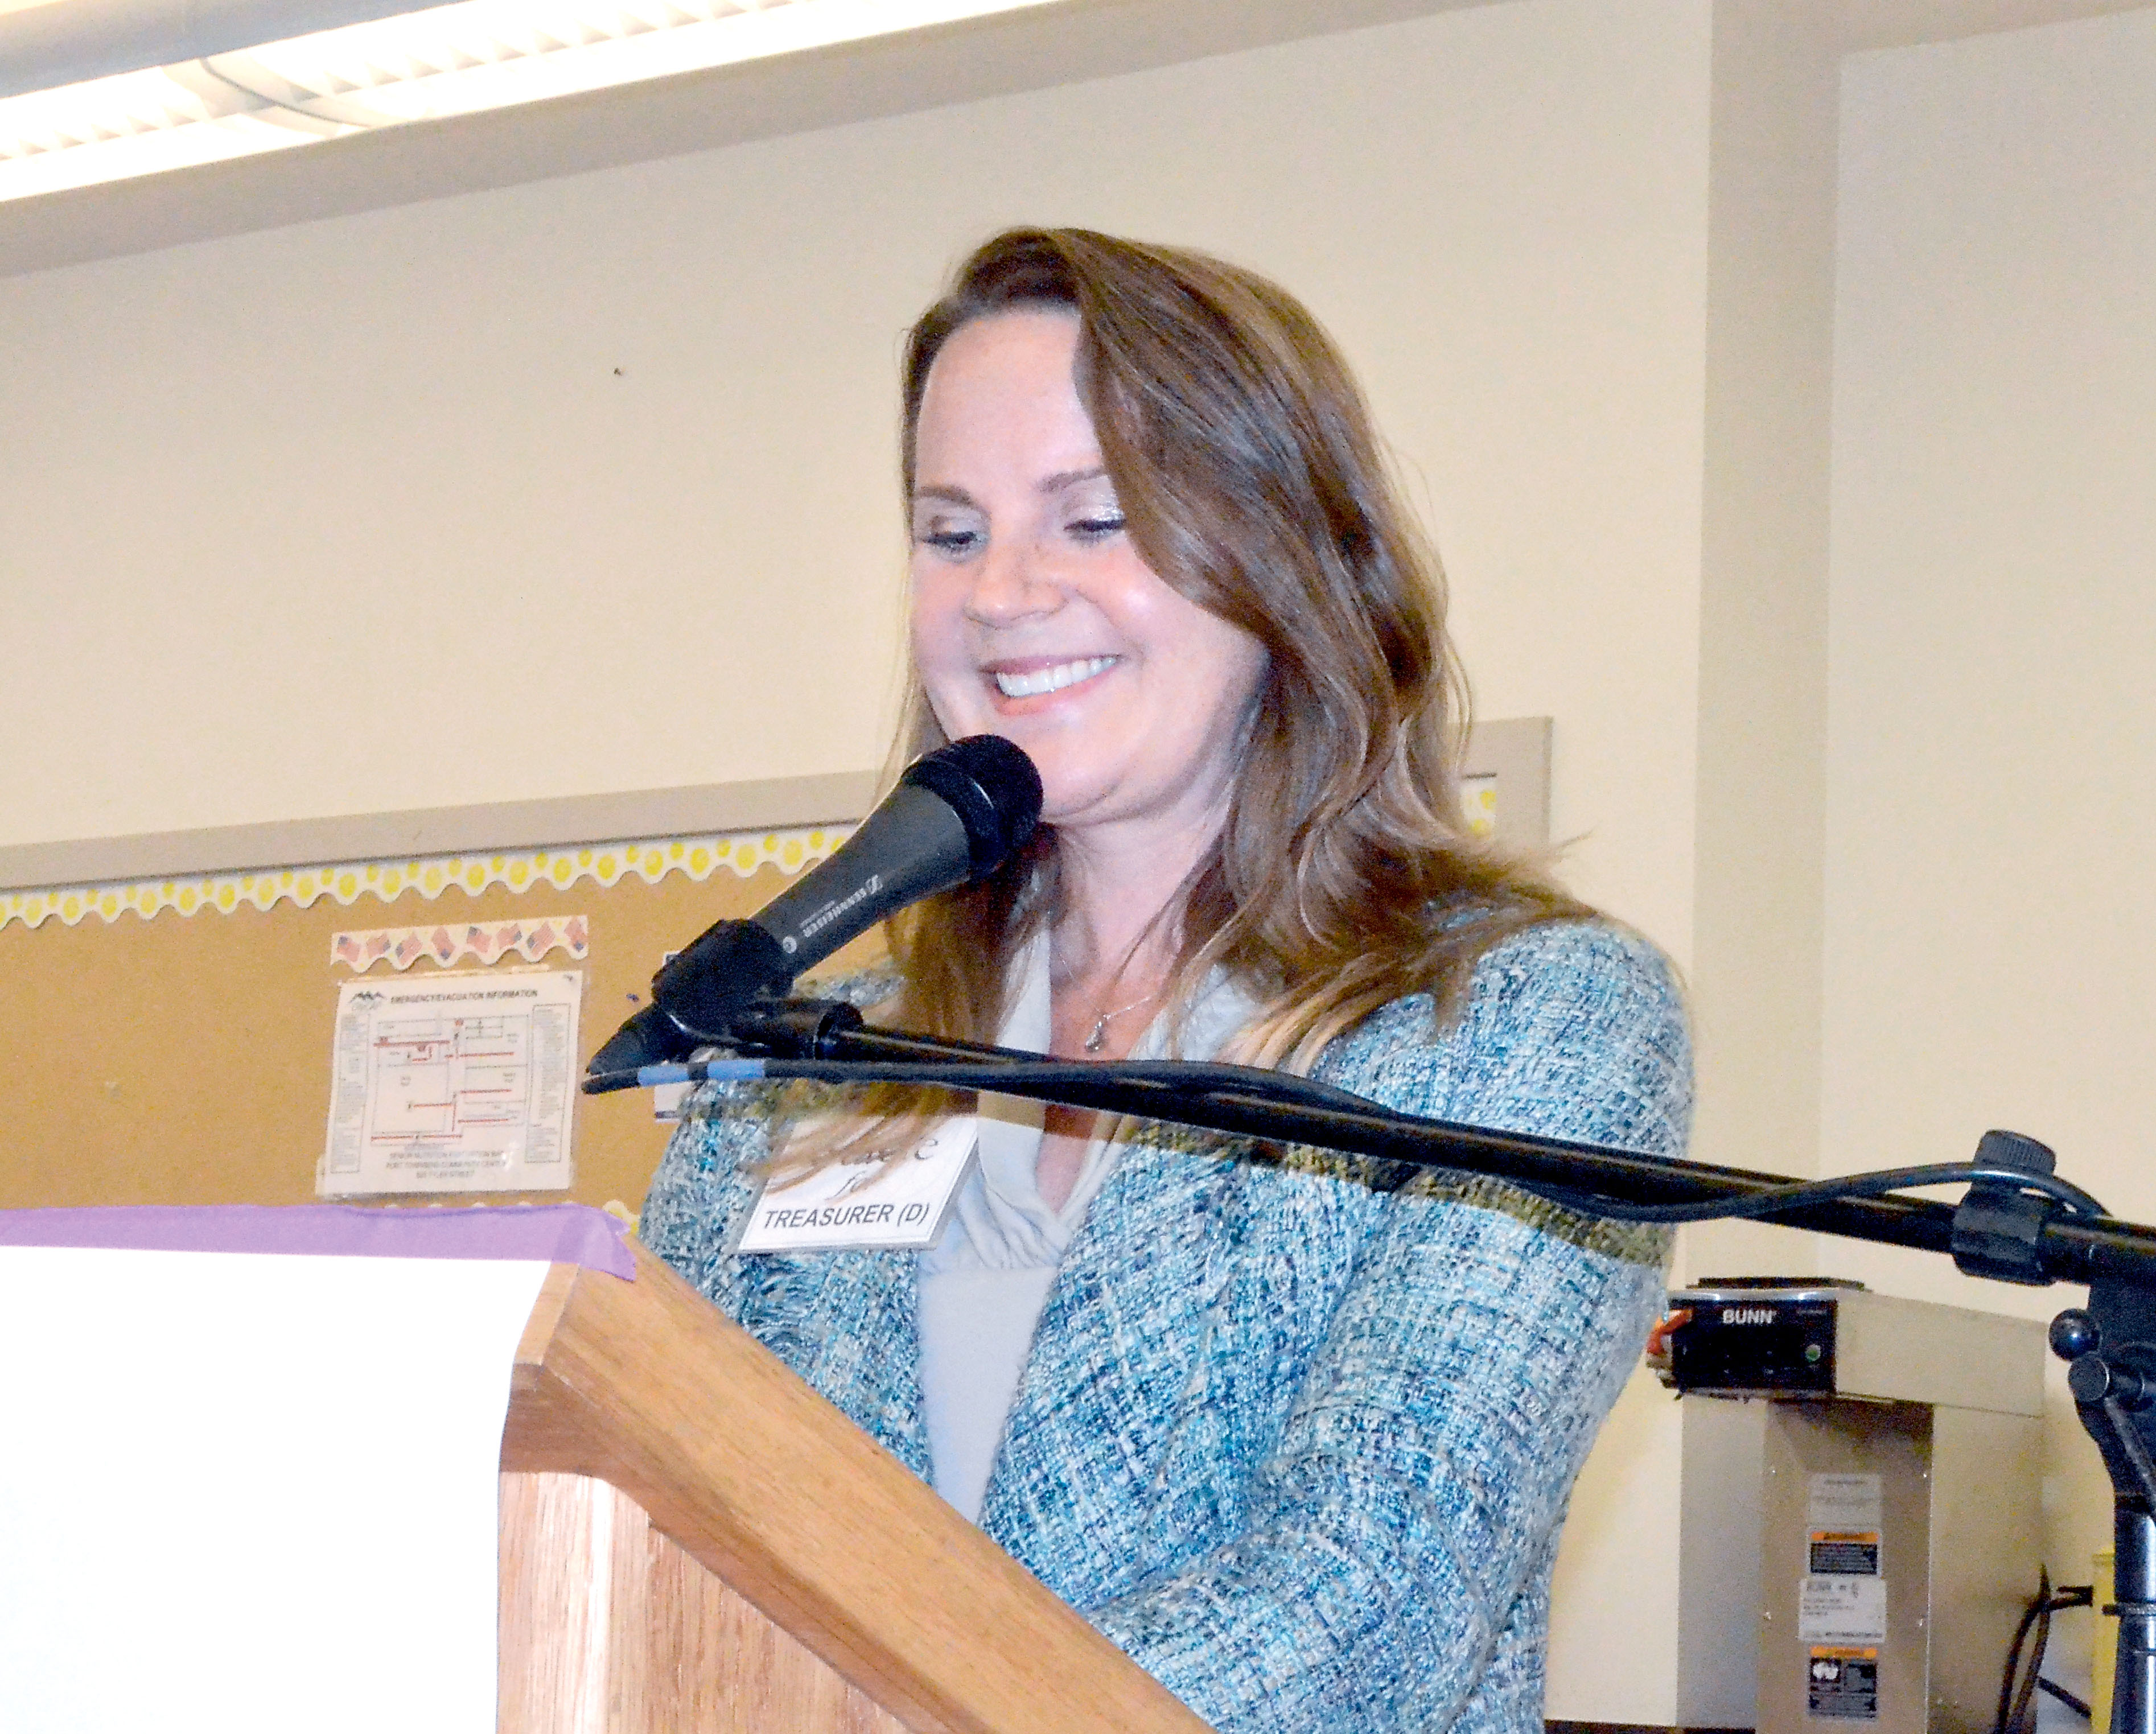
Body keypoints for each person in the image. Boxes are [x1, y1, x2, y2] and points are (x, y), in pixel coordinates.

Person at [640, 227, 1690, 1734]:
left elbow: (1363, 1604)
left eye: (1093, 520)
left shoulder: (1527, 1021)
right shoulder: (805, 1054)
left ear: (1283, 564)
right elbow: (659, 1523)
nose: (1000, 592)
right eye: (949, 534)